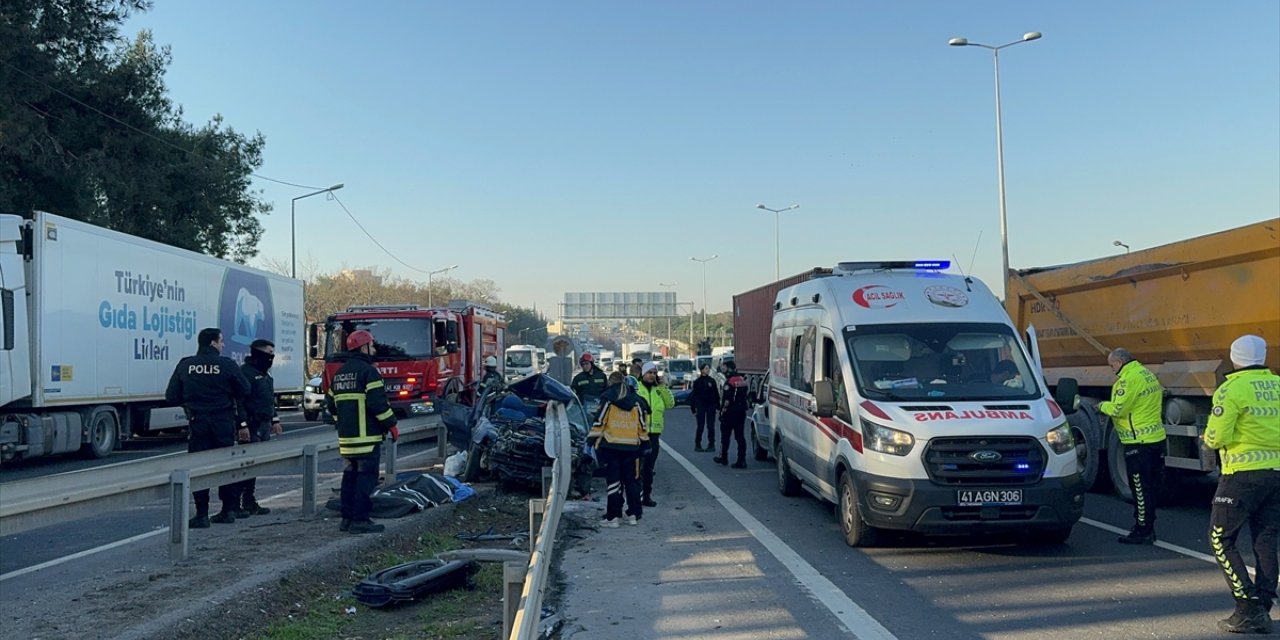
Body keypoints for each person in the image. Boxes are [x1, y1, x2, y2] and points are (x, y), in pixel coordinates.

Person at [1202, 334, 1280, 634]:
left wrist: (1207, 439)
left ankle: (1247, 606)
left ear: (1234, 357)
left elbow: (1216, 436)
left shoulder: (1231, 389)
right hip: (1276, 474)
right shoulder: (1277, 385)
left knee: (1220, 538)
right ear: (1262, 357)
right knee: (1266, 539)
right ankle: (1263, 604)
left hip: (1242, 476)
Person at [165, 327, 251, 528]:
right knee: (226, 465)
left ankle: (202, 514)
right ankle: (228, 509)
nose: (223, 345)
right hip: (223, 422)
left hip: (198, 422)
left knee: (198, 467)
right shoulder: (227, 365)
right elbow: (245, 389)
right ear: (213, 343)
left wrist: (192, 400)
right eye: (221, 341)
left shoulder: (186, 365)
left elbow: (171, 396)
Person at [328, 329, 399, 534]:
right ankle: (360, 520)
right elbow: (378, 404)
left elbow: (330, 405)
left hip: (346, 439)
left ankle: (347, 519)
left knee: (349, 478)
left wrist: (341, 423)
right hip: (367, 438)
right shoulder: (369, 372)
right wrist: (391, 425)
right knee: (366, 479)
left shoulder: (340, 374)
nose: (374, 349)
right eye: (372, 345)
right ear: (364, 347)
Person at [1098, 347, 1166, 544]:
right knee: (1151, 487)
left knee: (1140, 490)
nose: (1112, 370)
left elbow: (1119, 409)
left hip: (1138, 443)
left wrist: (1101, 406)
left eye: (1112, 365)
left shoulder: (1127, 380)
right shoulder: (1147, 374)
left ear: (1119, 362)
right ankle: (1148, 526)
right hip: (1155, 440)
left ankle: (1142, 531)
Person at [588, 371, 650, 527]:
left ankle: (613, 517)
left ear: (610, 382)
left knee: (614, 482)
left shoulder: (608, 398)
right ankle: (633, 515)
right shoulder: (636, 400)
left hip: (611, 445)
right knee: (631, 481)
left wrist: (591, 440)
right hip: (631, 447)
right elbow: (642, 425)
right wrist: (645, 442)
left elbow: (600, 421)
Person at [229, 338, 283, 517]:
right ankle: (236, 502)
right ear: (259, 353)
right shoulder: (246, 373)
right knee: (245, 465)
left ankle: (249, 500)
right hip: (251, 425)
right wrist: (242, 425)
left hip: (264, 424)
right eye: (268, 353)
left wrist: (275, 420)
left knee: (255, 465)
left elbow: (269, 399)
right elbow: (240, 402)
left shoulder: (265, 374)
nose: (271, 357)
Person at [633, 362, 675, 507]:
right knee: (638, 468)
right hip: (639, 434)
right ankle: (635, 496)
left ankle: (646, 496)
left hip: (654, 435)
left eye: (653, 373)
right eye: (649, 373)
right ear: (643, 374)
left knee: (649, 468)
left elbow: (670, 404)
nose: (651, 375)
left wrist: (663, 386)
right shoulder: (637, 388)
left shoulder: (659, 389)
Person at [715, 361, 750, 469]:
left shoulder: (729, 382)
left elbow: (726, 400)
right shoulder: (742, 380)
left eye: (724, 367)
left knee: (725, 436)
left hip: (730, 412)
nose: (723, 369)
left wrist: (722, 412)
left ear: (729, 369)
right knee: (740, 437)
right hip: (741, 411)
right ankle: (742, 459)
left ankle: (723, 457)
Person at [689, 363, 720, 452]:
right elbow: (694, 395)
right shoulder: (697, 382)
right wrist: (693, 407)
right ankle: (698, 444)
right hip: (701, 405)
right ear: (702, 370)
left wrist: (718, 405)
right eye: (706, 368)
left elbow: (716, 393)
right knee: (700, 426)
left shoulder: (712, 381)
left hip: (711, 405)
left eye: (708, 368)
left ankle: (711, 444)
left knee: (711, 426)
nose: (708, 370)